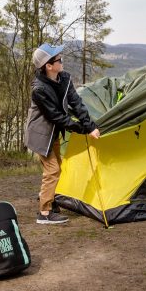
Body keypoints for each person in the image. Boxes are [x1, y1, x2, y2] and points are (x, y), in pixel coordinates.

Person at [25, 43, 100, 224]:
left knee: (57, 166)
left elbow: (77, 103)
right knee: (53, 170)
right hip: (41, 135)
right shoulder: (39, 89)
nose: (62, 61)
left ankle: (50, 201)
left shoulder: (64, 78)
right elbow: (56, 116)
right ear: (48, 66)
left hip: (53, 133)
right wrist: (82, 130)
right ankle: (44, 213)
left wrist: (90, 126)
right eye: (58, 59)